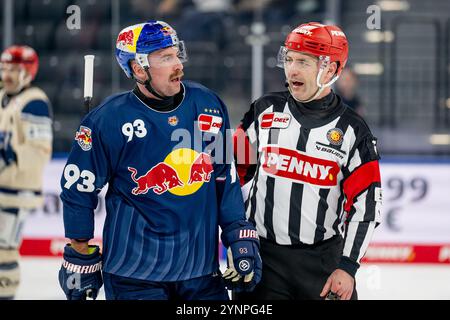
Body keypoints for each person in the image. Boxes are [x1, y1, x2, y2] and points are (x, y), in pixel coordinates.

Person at [58, 20, 261, 300]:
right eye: (166, 57)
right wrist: (79, 250)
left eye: (177, 54)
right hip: (134, 277)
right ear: (139, 69)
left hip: (200, 275)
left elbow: (224, 177)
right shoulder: (107, 119)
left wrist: (238, 232)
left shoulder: (208, 105)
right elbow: (78, 189)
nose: (178, 64)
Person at [233, 22, 382, 300]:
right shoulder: (264, 109)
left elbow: (367, 206)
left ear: (332, 69)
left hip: (322, 265)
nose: (292, 69)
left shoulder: (354, 130)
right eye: (288, 59)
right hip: (263, 258)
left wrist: (348, 267)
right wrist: (235, 235)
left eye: (303, 61)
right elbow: (232, 172)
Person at [0, 45, 53, 299]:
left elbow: (38, 150)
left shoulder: (35, 102)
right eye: (5, 68)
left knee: (4, 250)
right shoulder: (3, 97)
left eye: (14, 69)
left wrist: (8, 154)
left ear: (28, 72)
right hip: (3, 188)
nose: (8, 74)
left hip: (15, 192)